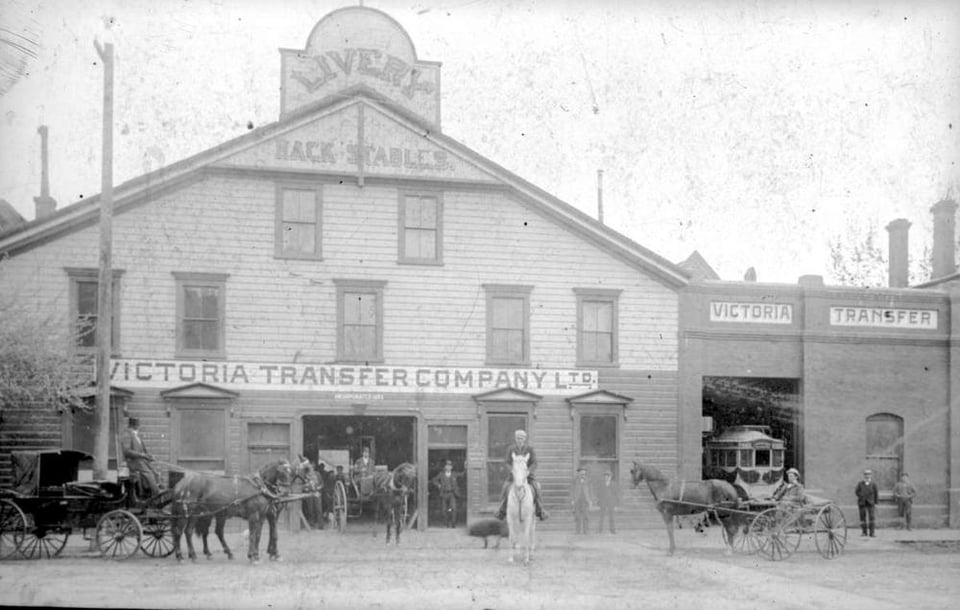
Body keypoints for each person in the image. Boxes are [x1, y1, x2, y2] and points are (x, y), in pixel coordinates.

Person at [494, 429, 548, 520]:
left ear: (525, 439)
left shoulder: (530, 449)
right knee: (505, 488)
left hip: (527, 476)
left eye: (522, 438)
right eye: (518, 438)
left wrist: (528, 471)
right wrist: (512, 470)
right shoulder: (511, 449)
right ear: (515, 439)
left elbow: (534, 463)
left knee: (536, 488)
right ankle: (501, 511)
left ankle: (540, 510)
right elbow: (507, 462)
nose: (520, 440)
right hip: (514, 476)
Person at [120, 417, 160, 497]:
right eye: (138, 425)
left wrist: (148, 456)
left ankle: (149, 493)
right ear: (133, 425)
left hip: (141, 461)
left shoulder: (137, 435)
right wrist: (142, 455)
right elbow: (127, 452)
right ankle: (156, 496)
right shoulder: (127, 434)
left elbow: (143, 450)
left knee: (155, 472)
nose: (139, 426)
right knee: (149, 474)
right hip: (133, 462)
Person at [432, 460, 461, 528]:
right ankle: (446, 524)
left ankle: (453, 524)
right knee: (444, 510)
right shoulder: (441, 474)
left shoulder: (454, 474)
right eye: (447, 466)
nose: (448, 467)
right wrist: (438, 485)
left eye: (449, 466)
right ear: (445, 467)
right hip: (444, 494)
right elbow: (434, 480)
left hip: (452, 494)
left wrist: (466, 467)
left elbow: (462, 474)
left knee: (453, 509)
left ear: (451, 467)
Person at [855, 469, 879, 537]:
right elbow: (856, 492)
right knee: (862, 518)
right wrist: (861, 496)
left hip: (871, 503)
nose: (867, 476)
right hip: (862, 503)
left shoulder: (873, 484)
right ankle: (864, 532)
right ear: (864, 476)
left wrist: (876, 503)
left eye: (868, 474)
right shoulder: (860, 484)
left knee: (872, 518)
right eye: (866, 474)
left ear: (871, 475)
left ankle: (872, 533)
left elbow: (876, 494)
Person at [569, 465, 592, 535]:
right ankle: (577, 531)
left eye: (584, 473)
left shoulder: (588, 480)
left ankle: (586, 531)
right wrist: (572, 499)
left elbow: (591, 491)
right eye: (581, 473)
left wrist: (591, 500)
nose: (583, 475)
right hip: (577, 500)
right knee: (577, 516)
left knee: (586, 516)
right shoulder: (575, 480)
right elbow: (572, 490)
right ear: (578, 473)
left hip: (585, 500)